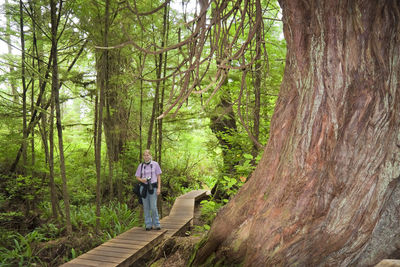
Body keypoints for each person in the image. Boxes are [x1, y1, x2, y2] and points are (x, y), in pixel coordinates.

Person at [135, 149, 162, 231]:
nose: (146, 157)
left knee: (153, 207)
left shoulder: (155, 164)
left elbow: (158, 176)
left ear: (150, 155)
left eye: (147, 155)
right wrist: (142, 180)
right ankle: (148, 224)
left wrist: (159, 188)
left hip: (153, 187)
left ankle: (156, 224)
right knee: (146, 207)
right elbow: (137, 176)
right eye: (145, 155)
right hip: (143, 188)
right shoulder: (141, 165)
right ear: (143, 156)